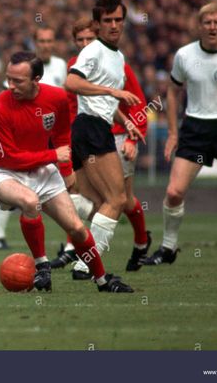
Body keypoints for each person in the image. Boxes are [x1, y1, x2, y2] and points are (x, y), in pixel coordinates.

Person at [0, 51, 134, 292]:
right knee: (30, 201)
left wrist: (66, 169)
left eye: (18, 81)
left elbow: (62, 136)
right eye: (9, 79)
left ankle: (102, 280)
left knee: (78, 230)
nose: (11, 86)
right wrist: (54, 157)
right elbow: (9, 156)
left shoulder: (57, 98)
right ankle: (42, 267)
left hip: (41, 169)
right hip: (2, 170)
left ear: (36, 79)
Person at [144, 3, 217, 266]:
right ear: (199, 26)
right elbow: (173, 93)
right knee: (174, 192)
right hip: (195, 129)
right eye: (207, 22)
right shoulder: (185, 56)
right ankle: (168, 249)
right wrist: (174, 132)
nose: (212, 27)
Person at [51, 17, 152, 275]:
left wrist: (132, 131)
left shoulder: (116, 60)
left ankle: (139, 243)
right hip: (86, 134)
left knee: (118, 200)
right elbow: (80, 96)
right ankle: (84, 259)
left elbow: (136, 100)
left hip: (113, 135)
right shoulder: (77, 65)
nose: (85, 43)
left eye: (89, 39)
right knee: (107, 200)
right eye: (80, 40)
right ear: (74, 43)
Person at [0, 27, 68, 250]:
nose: (46, 45)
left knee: (66, 189)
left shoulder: (61, 66)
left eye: (49, 40)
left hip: (50, 133)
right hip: (25, 135)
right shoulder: (20, 72)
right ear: (35, 43)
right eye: (41, 41)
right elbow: (12, 101)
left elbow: (61, 101)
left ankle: (70, 244)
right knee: (11, 184)